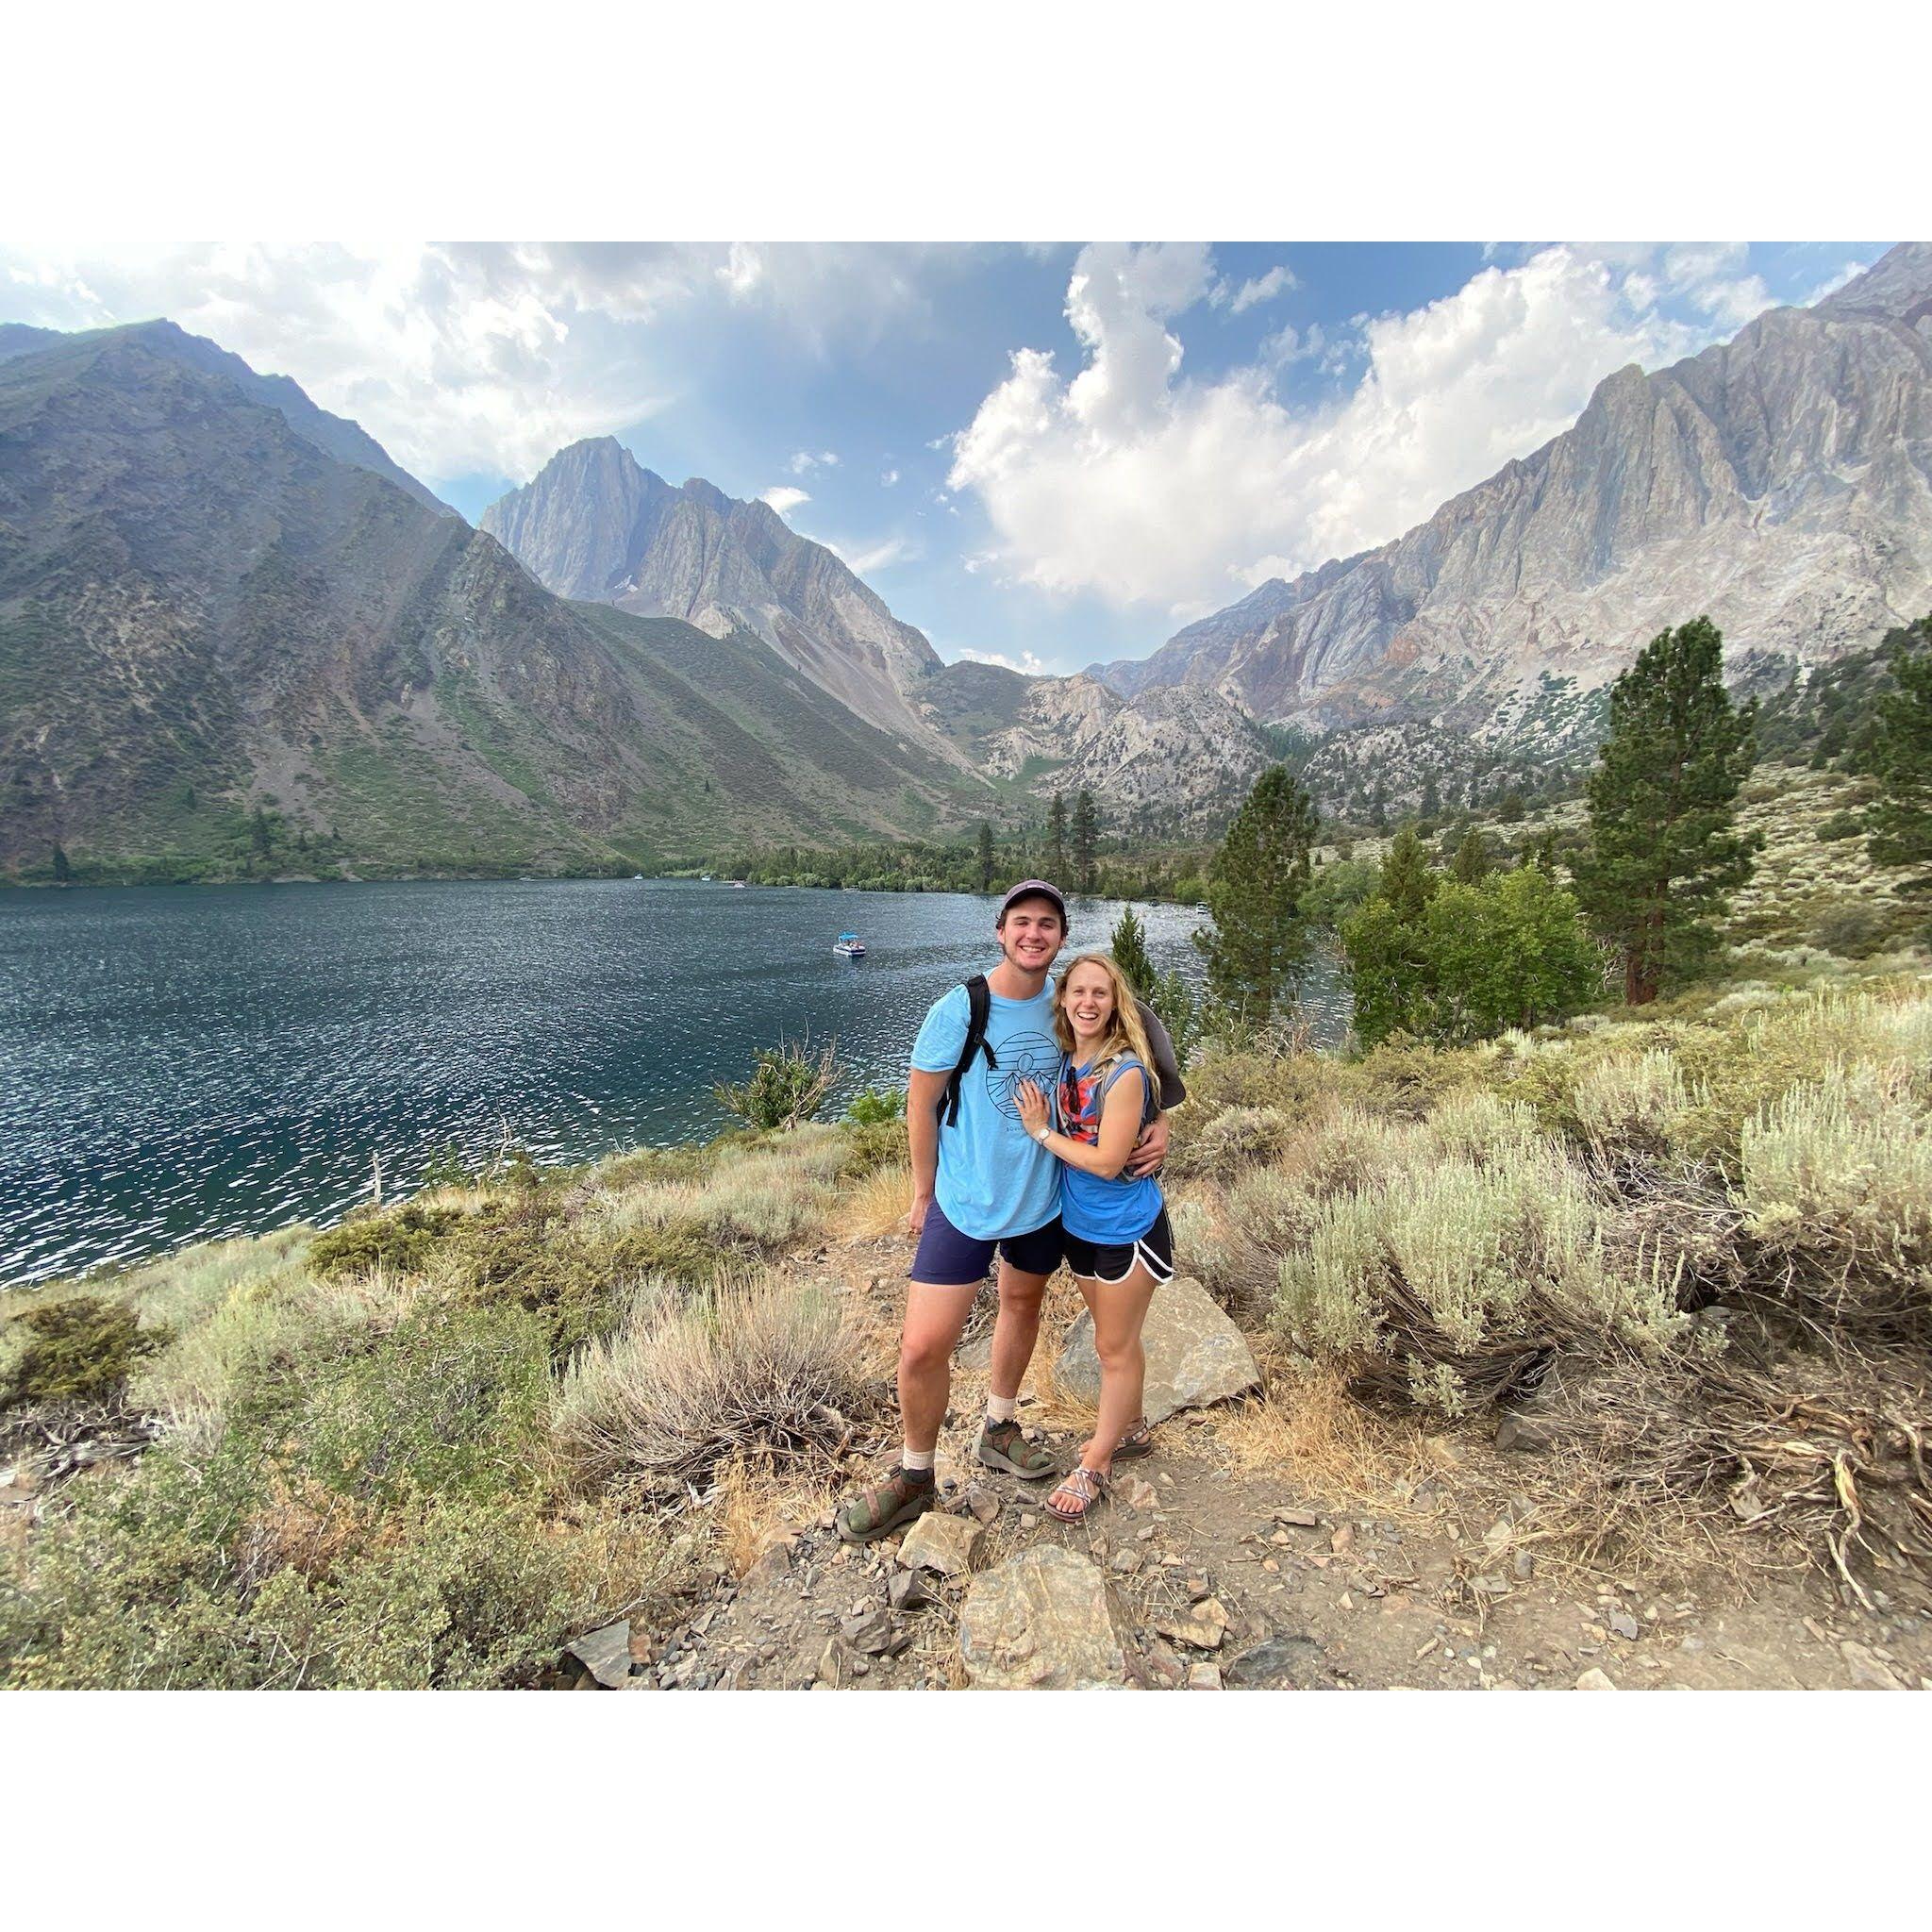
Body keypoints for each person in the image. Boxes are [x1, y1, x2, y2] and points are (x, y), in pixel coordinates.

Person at [836, 881, 1184, 1543]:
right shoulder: (960, 1008)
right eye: (1022, 922)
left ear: (1060, 936)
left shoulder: (1068, 1003)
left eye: (1047, 924)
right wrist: (921, 1192)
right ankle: (914, 1475)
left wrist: (1159, 1117)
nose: (1034, 934)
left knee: (1020, 1306)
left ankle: (999, 1426)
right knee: (921, 1346)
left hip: (1042, 1204)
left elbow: (1139, 1053)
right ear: (1000, 931)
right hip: (964, 1204)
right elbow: (920, 1103)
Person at [1013, 952, 1174, 1524]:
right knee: (1118, 1340)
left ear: (1115, 1003)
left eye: (1100, 994)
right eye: (1077, 991)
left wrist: (1040, 1132)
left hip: (1128, 1231)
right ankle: (1130, 1429)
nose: (1087, 1002)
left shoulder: (1122, 1071)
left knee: (1112, 1346)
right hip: (1079, 1227)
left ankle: (1096, 1462)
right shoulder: (1066, 1060)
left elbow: (1108, 1163)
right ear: (1063, 998)